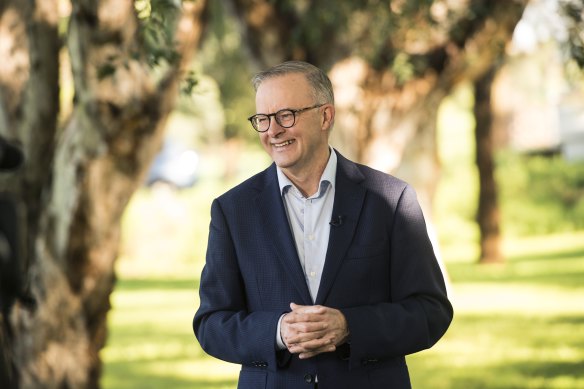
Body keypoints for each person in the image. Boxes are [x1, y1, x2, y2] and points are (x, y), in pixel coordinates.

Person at [193, 61, 453, 389]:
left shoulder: (391, 200)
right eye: (263, 119)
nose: (273, 130)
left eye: (286, 115)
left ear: (325, 116)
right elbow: (211, 324)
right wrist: (278, 332)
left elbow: (430, 312)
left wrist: (350, 326)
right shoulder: (233, 211)